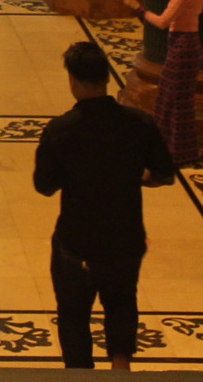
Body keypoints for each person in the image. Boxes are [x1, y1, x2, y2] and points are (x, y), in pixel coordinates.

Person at [35, 41, 177, 371]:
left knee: (73, 314)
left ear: (73, 80)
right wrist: (136, 177)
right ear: (106, 78)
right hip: (125, 238)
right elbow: (164, 173)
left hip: (77, 242)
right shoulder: (139, 123)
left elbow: (44, 186)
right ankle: (120, 367)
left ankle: (80, 373)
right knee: (122, 301)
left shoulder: (61, 131)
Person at [130, 0, 203, 164]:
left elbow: (163, 22)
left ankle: (170, 150)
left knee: (171, 100)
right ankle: (180, 150)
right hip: (187, 45)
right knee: (178, 100)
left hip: (183, 48)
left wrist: (137, 7)